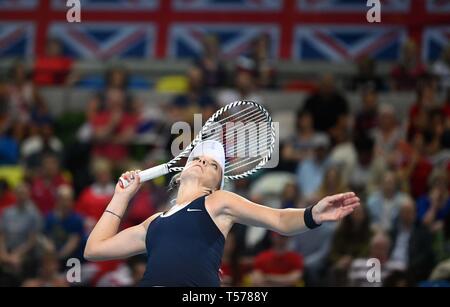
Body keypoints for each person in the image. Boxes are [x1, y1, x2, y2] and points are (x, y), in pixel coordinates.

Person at [84, 140, 360, 287]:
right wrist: (121, 197)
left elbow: (277, 220)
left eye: (212, 165)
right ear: (180, 176)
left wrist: (313, 214)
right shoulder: (153, 222)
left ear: (217, 184)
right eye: (198, 159)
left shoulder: (217, 202)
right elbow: (95, 249)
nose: (203, 161)